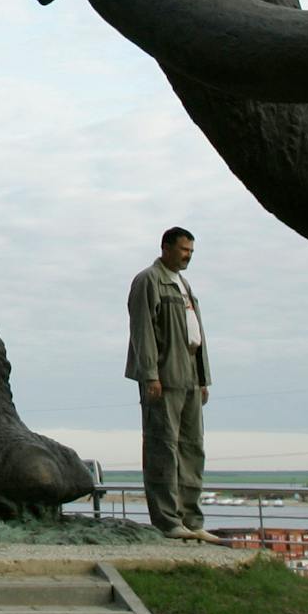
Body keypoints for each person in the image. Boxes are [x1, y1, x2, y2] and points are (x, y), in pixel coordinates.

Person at [126, 226, 218, 542]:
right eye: (183, 250)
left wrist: (203, 379)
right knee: (162, 446)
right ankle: (167, 520)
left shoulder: (184, 284)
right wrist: (150, 374)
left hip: (190, 375)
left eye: (191, 251)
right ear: (166, 247)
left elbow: (197, 334)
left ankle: (192, 520)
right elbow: (143, 330)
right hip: (165, 377)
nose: (188, 256)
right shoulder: (148, 280)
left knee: (192, 448)